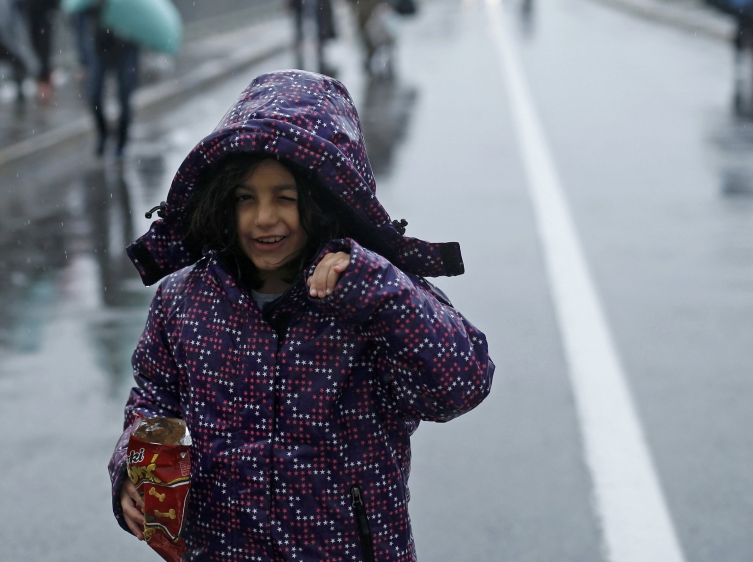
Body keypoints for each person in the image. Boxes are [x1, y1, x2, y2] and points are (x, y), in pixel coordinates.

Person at [107, 70, 494, 561]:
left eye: (285, 198)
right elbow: (154, 397)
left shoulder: (371, 296)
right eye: (246, 198)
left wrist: (378, 289)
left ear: (322, 202)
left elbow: (459, 385)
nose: (264, 218)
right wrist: (131, 470)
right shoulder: (183, 301)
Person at [88, 21, 139, 158]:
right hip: (100, 45)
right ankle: (103, 135)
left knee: (125, 97)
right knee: (94, 95)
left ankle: (121, 143)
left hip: (127, 46)